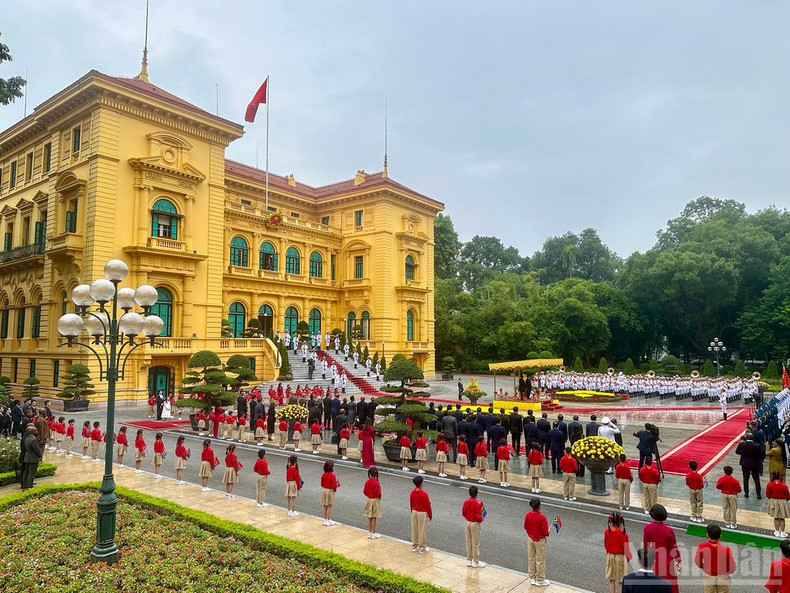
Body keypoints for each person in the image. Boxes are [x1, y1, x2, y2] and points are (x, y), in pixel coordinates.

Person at [643, 504, 680, 593]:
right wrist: (678, 561)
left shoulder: (647, 528)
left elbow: (646, 546)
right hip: (667, 559)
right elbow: (674, 547)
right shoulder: (669, 530)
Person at [694, 524, 735, 593]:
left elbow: (697, 560)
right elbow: (732, 565)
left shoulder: (702, 546)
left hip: (709, 575)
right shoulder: (726, 549)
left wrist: (703, 566)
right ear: (720, 536)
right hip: (723, 576)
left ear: (707, 535)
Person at [523, 497, 550, 587]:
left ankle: (532, 577)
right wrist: (548, 532)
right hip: (540, 540)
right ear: (539, 506)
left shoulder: (528, 515)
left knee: (531, 558)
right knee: (540, 560)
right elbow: (545, 532)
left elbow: (525, 526)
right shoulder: (542, 518)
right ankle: (540, 579)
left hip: (530, 538)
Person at [604, 512, 632, 593]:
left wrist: (608, 552)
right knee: (621, 580)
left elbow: (606, 544)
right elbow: (626, 549)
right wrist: (628, 558)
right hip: (620, 557)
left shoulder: (607, 531)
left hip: (610, 556)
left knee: (611, 579)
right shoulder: (623, 534)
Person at [462, 485, 486, 568]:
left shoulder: (466, 502)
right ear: (477, 494)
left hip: (468, 523)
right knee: (475, 543)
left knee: (468, 542)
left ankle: (469, 560)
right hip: (475, 524)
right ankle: (475, 561)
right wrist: (482, 519)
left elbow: (463, 513)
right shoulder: (478, 504)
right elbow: (479, 517)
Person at [735, 431, 763, 499]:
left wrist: (743, 454)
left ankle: (746, 493)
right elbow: (760, 454)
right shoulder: (757, 445)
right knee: (756, 479)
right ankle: (758, 494)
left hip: (745, 463)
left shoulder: (742, 444)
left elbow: (737, 452)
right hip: (754, 464)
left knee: (745, 479)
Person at [410, 474, 432, 553]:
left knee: (414, 529)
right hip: (422, 513)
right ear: (421, 483)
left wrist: (412, 511)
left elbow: (411, 503)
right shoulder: (424, 494)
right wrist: (430, 515)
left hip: (414, 512)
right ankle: (422, 548)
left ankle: (415, 546)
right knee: (422, 530)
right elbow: (427, 506)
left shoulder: (412, 492)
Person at [767, 470, 790, 538]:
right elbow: (788, 495)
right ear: (780, 476)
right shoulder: (784, 485)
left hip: (774, 502)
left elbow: (768, 495)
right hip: (783, 502)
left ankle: (777, 531)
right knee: (782, 518)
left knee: (776, 517)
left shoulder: (769, 485)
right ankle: (782, 532)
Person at [19, 425, 42, 490]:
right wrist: (40, 455)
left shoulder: (26, 438)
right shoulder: (33, 439)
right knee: (31, 473)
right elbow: (37, 449)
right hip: (33, 458)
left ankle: (24, 484)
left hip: (27, 457)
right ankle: (29, 485)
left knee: (26, 471)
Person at [363, 466, 383, 539]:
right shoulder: (376, 483)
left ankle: (370, 532)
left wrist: (369, 495)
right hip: (375, 500)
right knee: (374, 517)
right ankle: (374, 533)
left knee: (369, 516)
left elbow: (364, 491)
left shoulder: (367, 481)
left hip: (369, 499)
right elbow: (379, 494)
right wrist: (379, 497)